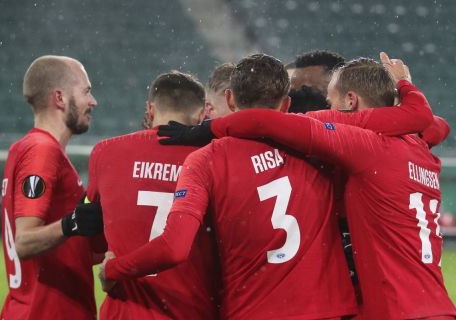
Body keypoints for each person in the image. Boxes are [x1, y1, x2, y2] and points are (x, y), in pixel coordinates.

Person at [187, 54, 456, 319]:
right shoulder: (420, 145)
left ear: (351, 100)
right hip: (438, 306)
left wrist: (208, 130)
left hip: (397, 310)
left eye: (331, 98)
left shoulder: (366, 147)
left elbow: (266, 121)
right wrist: (402, 89)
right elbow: (436, 125)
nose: (327, 104)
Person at [100, 54, 358, 319]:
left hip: (251, 310)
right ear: (286, 104)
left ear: (230, 99)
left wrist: (112, 270)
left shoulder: (206, 160)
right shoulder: (320, 148)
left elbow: (174, 247)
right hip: (323, 310)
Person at [87, 71, 220, 320]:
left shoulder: (106, 153)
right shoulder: (214, 159)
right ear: (203, 114)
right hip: (189, 310)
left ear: (149, 109)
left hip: (123, 311)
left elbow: (95, 243)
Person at [0, 55, 105, 320]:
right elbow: (24, 242)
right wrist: (73, 223)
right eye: (86, 92)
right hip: (46, 312)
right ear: (59, 98)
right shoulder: (42, 151)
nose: (93, 102)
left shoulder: (30, 148)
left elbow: (77, 252)